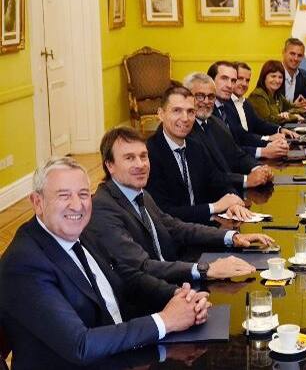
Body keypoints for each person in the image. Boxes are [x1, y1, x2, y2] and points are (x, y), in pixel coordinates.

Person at [0, 157, 210, 368]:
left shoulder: (80, 229)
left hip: (119, 353)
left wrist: (179, 296)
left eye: (83, 194)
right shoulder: (24, 264)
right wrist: (166, 320)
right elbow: (80, 345)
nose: (77, 205)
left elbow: (126, 277)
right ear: (37, 202)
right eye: (64, 195)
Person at [88, 126, 273, 285]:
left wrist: (231, 237)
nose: (141, 165)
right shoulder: (103, 208)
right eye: (129, 158)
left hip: (171, 277)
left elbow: (175, 227)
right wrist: (205, 269)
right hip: (148, 296)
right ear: (110, 165)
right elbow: (142, 266)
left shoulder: (138, 192)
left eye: (143, 156)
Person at [146, 85, 254, 225]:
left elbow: (218, 181)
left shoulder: (195, 147)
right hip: (172, 233)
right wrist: (214, 207)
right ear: (161, 114)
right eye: (177, 111)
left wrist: (232, 201)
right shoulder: (149, 154)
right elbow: (163, 212)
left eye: (190, 111)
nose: (185, 118)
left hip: (203, 228)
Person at [184, 72, 273, 189]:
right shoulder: (185, 129)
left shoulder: (216, 122)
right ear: (186, 97)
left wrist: (258, 168)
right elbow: (207, 175)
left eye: (211, 96)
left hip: (232, 190)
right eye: (200, 96)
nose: (206, 101)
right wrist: (246, 180)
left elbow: (237, 155)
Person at [208, 61, 291, 159]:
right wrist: (264, 150)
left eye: (233, 80)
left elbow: (244, 135)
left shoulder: (230, 106)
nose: (230, 85)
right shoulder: (209, 110)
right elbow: (227, 150)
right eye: (224, 78)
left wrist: (270, 143)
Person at [248, 60, 306, 124]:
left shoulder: (277, 95)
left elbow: (297, 109)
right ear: (264, 77)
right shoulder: (257, 95)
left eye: (280, 77)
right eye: (273, 76)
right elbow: (268, 120)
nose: (277, 81)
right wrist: (293, 116)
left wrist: (287, 113)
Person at [281, 37, 306, 109]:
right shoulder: (274, 74)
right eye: (292, 54)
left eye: (299, 55)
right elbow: (270, 107)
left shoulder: (303, 75)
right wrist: (292, 107)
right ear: (284, 52)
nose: (295, 58)